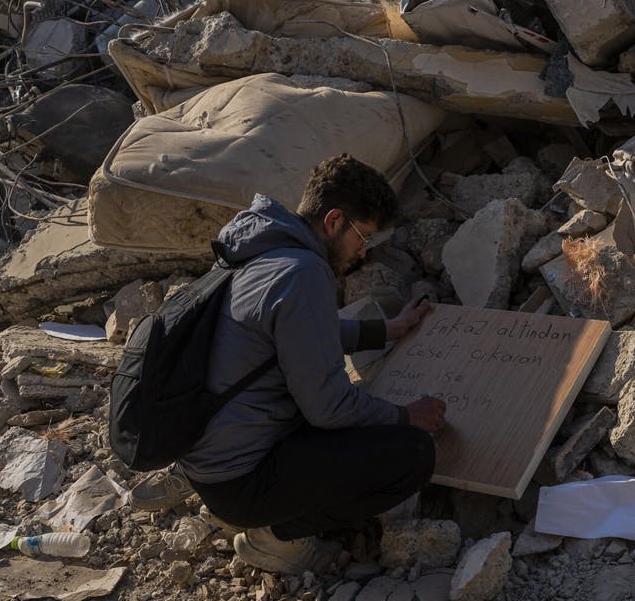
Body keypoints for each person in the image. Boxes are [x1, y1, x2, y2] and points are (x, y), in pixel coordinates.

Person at [171, 153, 446, 575]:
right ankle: (277, 536)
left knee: (356, 417)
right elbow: (329, 408)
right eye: (364, 237)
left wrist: (386, 331)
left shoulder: (264, 251)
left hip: (212, 468)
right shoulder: (305, 272)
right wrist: (407, 415)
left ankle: (268, 510)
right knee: (412, 455)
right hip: (242, 482)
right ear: (334, 221)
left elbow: (306, 332)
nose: (362, 253)